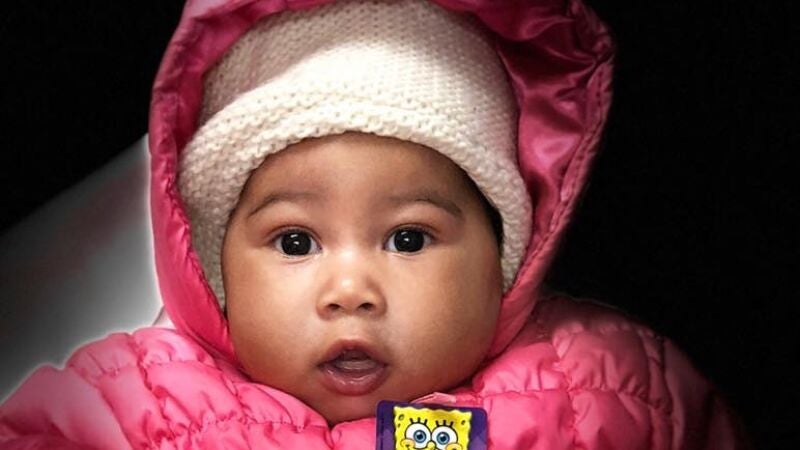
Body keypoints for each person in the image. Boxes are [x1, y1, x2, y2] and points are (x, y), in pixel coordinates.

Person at [0, 0, 748, 448]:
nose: (351, 289)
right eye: (296, 242)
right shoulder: (140, 405)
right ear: (216, 269)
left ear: (505, 258)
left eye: (408, 238)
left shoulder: (608, 387)